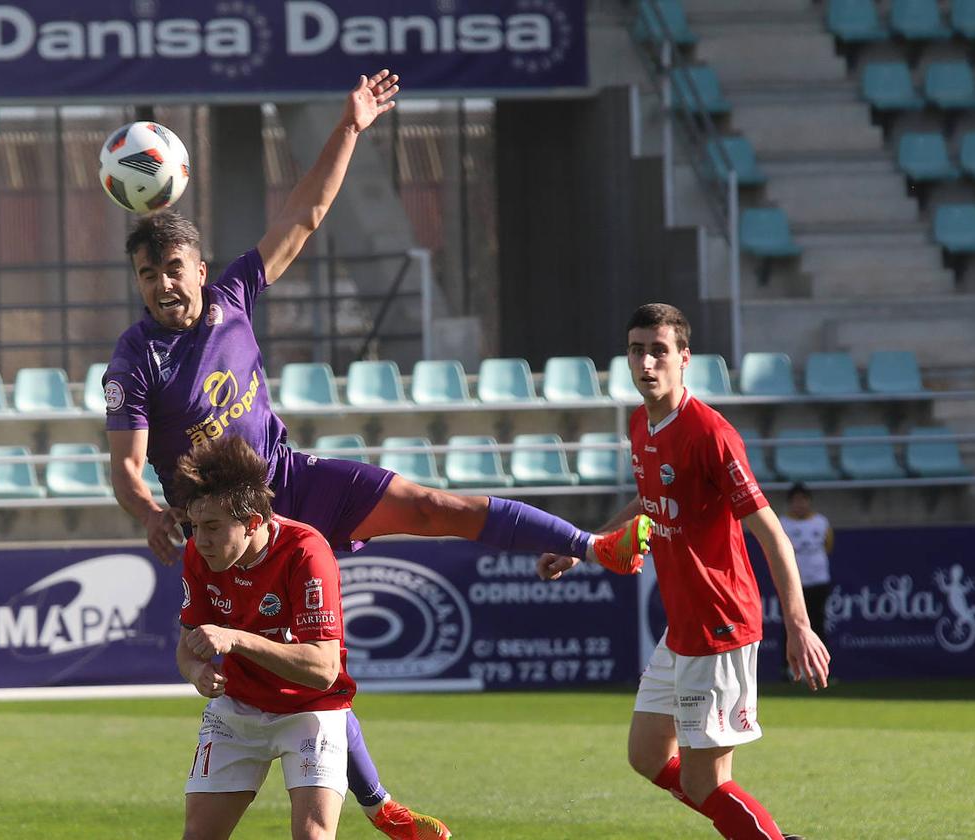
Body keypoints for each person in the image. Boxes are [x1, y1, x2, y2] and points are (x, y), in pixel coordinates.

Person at [105, 70, 650, 839]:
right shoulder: (135, 360)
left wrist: (352, 125)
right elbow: (126, 467)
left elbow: (310, 210)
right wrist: (153, 513)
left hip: (287, 482)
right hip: (224, 528)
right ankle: (379, 806)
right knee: (285, 677)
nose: (161, 285)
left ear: (200, 269)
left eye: (172, 269)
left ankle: (594, 543)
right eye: (146, 275)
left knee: (432, 506)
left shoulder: (232, 298)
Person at [538, 303, 830, 840]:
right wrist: (584, 546)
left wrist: (800, 623)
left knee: (707, 783)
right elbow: (650, 502)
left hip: (720, 627)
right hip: (682, 632)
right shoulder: (639, 423)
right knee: (647, 756)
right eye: (635, 349)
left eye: (658, 350)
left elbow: (771, 531)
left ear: (684, 358)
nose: (646, 362)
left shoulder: (711, 434)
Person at [175, 435, 354, 840]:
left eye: (213, 527)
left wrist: (236, 639)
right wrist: (196, 672)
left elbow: (324, 670)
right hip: (238, 707)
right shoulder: (199, 554)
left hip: (310, 710)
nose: (200, 540)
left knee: (312, 836)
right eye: (194, 525)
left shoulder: (306, 551)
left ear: (253, 522)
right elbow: (187, 647)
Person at [778, 482, 833, 680]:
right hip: (793, 585)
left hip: (818, 581)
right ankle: (790, 670)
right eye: (796, 500)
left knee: (818, 625)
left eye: (803, 500)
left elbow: (828, 546)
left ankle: (820, 670)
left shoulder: (821, 522)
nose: (800, 504)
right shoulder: (782, 523)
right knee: (791, 626)